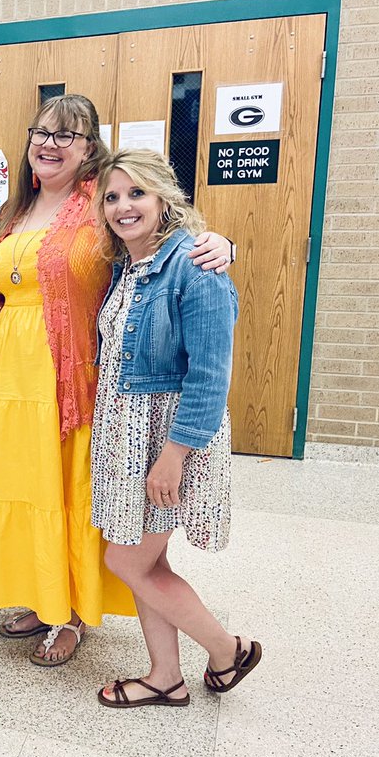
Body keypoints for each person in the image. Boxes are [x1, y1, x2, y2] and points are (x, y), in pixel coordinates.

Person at [0, 94, 234, 667]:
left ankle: (72, 612)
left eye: (66, 135)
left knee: (66, 494)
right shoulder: (14, 212)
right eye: (40, 132)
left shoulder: (100, 205)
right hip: (14, 382)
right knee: (25, 490)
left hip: (73, 381)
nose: (49, 143)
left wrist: (218, 242)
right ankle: (44, 598)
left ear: (90, 148)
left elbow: (162, 248)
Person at [91, 149, 260, 707]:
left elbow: (210, 377)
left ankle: (227, 650)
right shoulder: (128, 265)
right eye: (112, 197)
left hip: (167, 439)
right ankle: (165, 675)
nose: (123, 206)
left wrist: (174, 456)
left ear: (164, 198)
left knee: (126, 561)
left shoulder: (195, 264)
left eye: (136, 193)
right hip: (127, 434)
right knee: (147, 562)